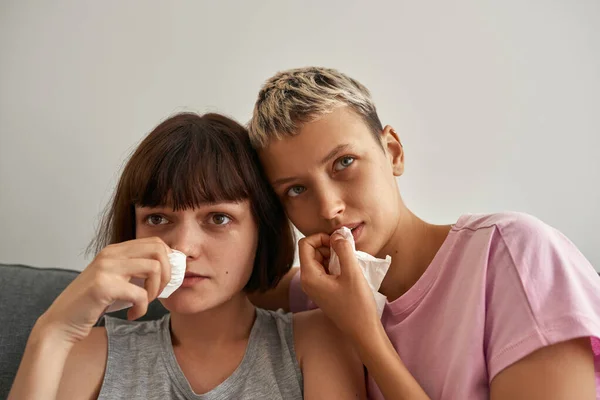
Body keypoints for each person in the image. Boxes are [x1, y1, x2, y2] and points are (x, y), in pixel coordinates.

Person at [247, 67, 600, 399]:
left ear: (393, 152)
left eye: (344, 163)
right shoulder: (320, 291)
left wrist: (364, 332)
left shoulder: (514, 255)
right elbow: (221, 289)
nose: (328, 208)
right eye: (295, 190)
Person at [9, 112, 366, 400]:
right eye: (158, 218)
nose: (182, 247)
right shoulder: (90, 354)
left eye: (218, 218)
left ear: (263, 229)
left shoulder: (315, 340)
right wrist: (53, 331)